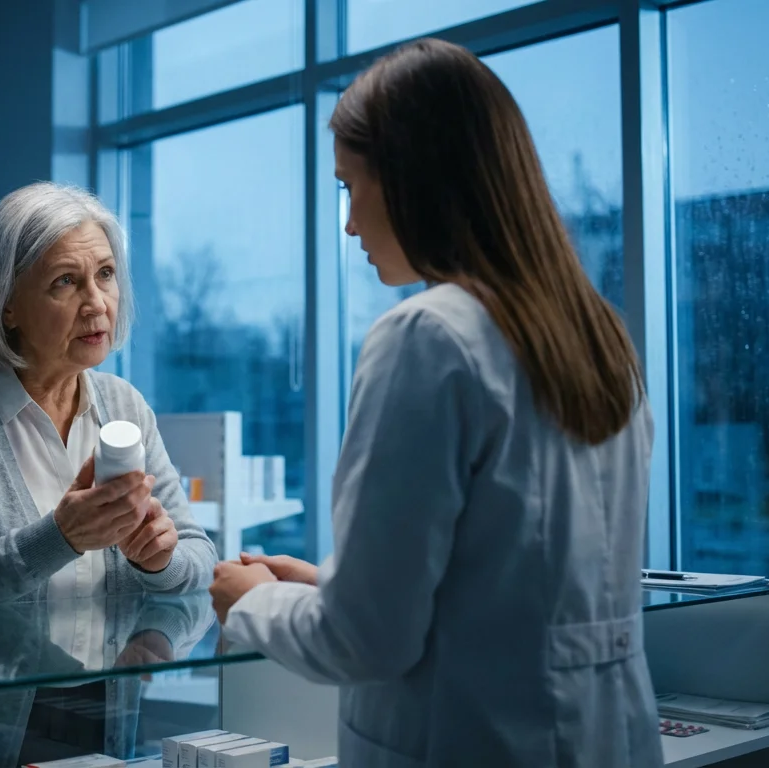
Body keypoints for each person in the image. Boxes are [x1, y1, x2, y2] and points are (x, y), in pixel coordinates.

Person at [209, 38, 663, 768]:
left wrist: (251, 601)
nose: (351, 224)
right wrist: (333, 585)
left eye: (353, 188)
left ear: (414, 180)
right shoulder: (598, 336)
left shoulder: (428, 336)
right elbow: (523, 594)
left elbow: (366, 640)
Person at [0, 182, 217, 609]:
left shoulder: (124, 405)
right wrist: (59, 538)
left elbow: (198, 554)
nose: (97, 304)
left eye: (105, 274)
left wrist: (159, 561)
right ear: (6, 304)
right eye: (65, 281)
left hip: (110, 676)